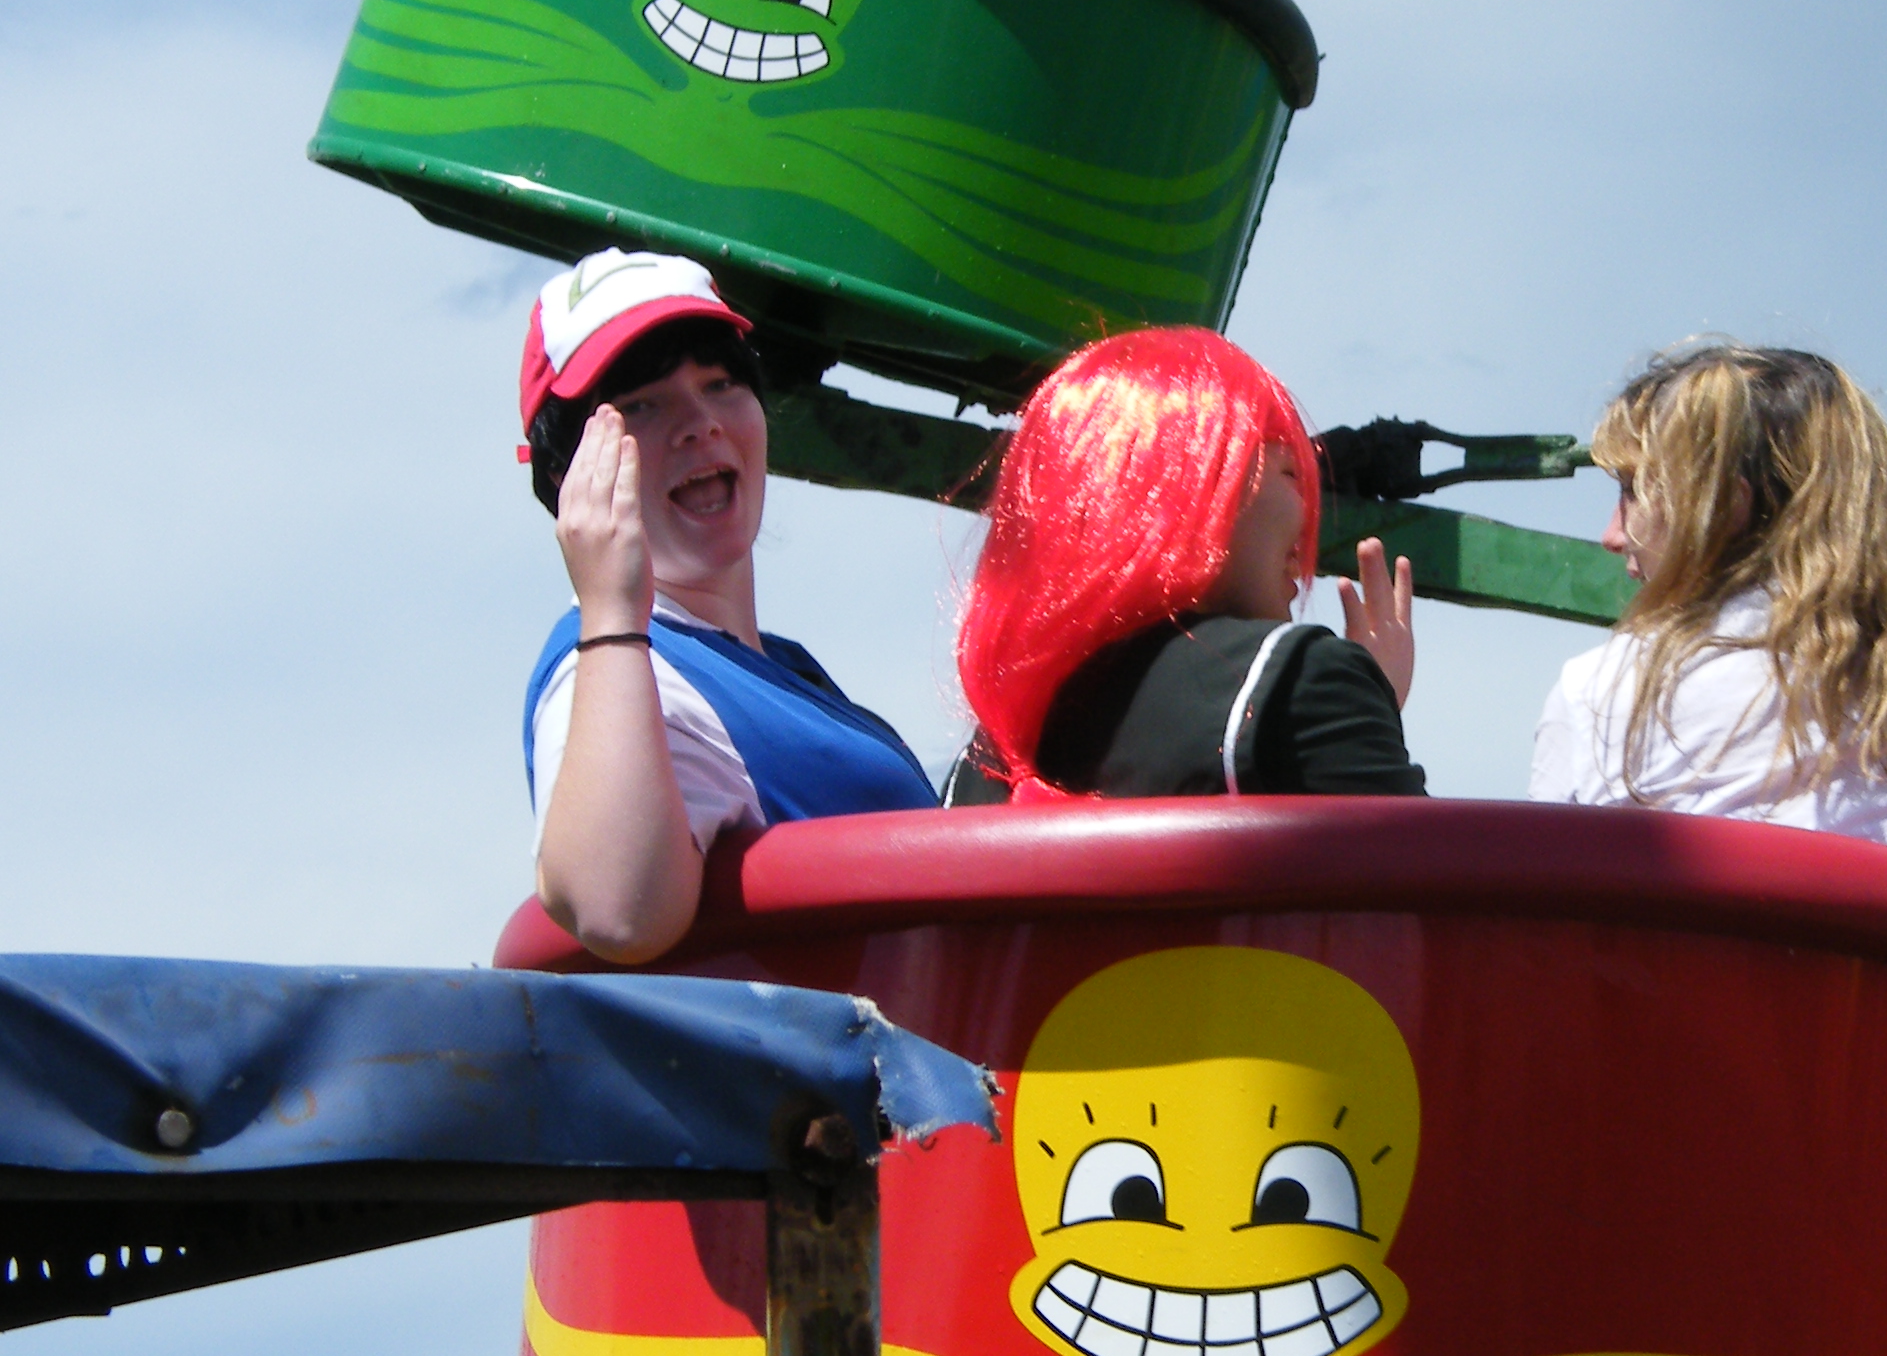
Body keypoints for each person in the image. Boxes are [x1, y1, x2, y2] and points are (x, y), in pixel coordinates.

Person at [1528, 343, 1887, 916]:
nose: (1611, 535)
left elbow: (1545, 936)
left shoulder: (1596, 687)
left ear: (1722, 506)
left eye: (1631, 489)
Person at [521, 250, 933, 961]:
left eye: (720, 382)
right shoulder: (616, 671)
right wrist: (612, 615)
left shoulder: (773, 668)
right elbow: (617, 910)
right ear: (568, 475)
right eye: (640, 404)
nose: (700, 422)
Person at [950, 327, 1420, 800]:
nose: (1308, 523)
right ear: (1202, 480)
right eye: (1291, 474)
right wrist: (1370, 706)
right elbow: (1418, 848)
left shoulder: (980, 764)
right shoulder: (1299, 681)